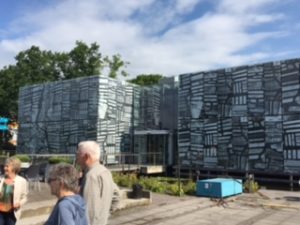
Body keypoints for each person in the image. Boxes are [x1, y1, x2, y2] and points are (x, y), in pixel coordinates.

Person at [76, 141, 114, 225]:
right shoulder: (106, 171)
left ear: (86, 156)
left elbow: (89, 213)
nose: (77, 159)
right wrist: (104, 214)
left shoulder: (91, 176)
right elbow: (117, 196)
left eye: (78, 155)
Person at [0, 157, 28, 225]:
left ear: (14, 168)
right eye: (5, 166)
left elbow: (24, 198)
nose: (4, 168)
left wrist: (19, 203)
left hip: (12, 214)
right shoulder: (1, 179)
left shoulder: (22, 181)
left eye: (7, 166)